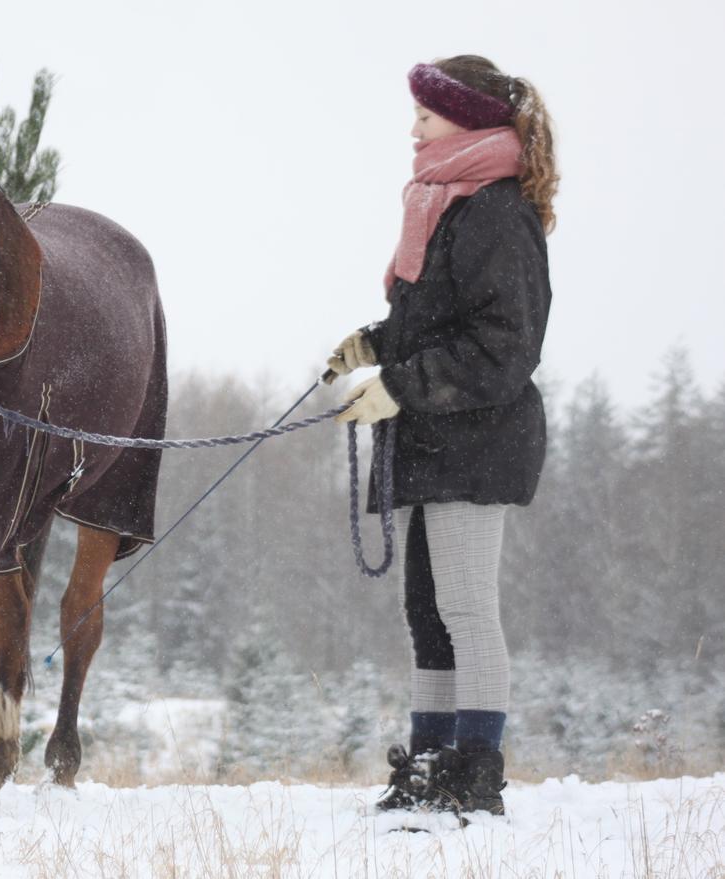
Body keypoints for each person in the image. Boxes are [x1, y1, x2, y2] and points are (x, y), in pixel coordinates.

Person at [325, 55, 556, 816]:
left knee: (465, 608)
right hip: (436, 440)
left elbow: (502, 346)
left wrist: (396, 386)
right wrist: (373, 344)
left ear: (462, 119)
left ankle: (475, 769)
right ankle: (430, 762)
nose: (413, 128)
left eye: (425, 115)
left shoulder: (494, 212)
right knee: (428, 615)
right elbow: (436, 322)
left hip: (478, 441)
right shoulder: (447, 205)